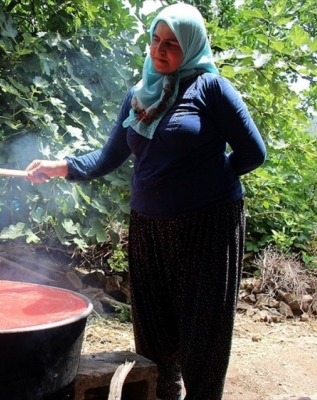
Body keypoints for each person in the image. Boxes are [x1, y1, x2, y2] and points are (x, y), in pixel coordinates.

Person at [24, 3, 266, 400]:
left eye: (172, 43)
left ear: (190, 46)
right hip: (149, 226)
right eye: (155, 39)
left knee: (202, 336)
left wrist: (208, 177)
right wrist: (60, 167)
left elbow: (252, 154)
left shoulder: (211, 88)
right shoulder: (139, 95)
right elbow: (109, 157)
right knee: (154, 339)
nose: (160, 49)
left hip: (206, 225)